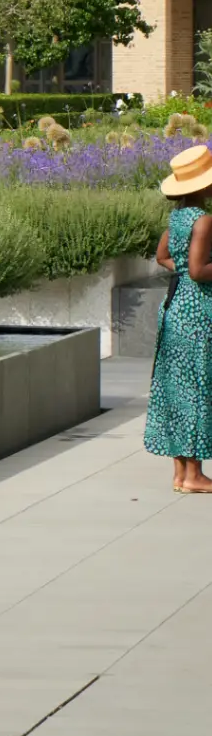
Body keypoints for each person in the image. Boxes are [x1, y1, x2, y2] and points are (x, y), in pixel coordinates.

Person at [146, 141, 212, 491]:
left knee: (176, 387)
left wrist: (183, 268)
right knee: (197, 387)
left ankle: (181, 474)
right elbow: (201, 271)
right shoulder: (204, 221)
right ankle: (195, 476)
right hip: (196, 311)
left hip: (174, 306)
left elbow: (162, 257)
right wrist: (193, 269)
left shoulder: (177, 218)